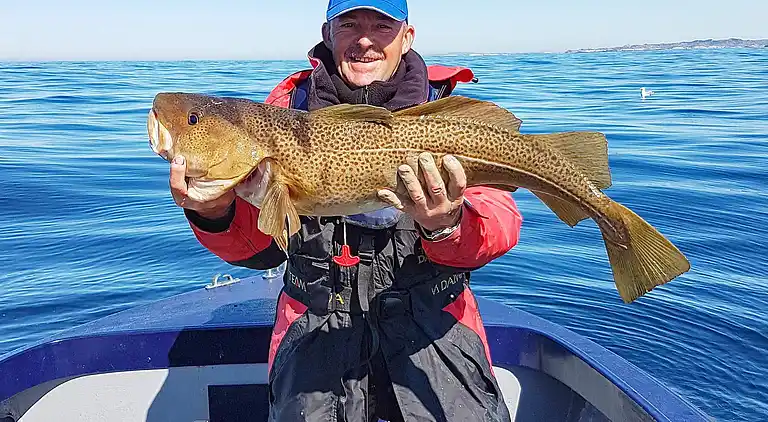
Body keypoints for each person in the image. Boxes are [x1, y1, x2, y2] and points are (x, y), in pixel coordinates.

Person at [168, 1, 523, 420]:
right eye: (349, 24)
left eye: (382, 25)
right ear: (328, 34)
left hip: (436, 335)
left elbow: (500, 224)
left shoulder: (447, 114)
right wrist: (215, 213)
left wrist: (448, 225)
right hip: (315, 337)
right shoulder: (283, 112)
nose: (365, 40)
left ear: (407, 37)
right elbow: (260, 249)